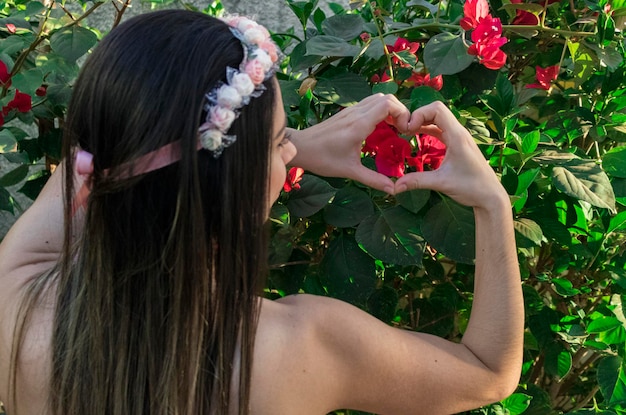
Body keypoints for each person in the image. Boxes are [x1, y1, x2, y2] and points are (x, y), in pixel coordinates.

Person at [0, 9, 523, 415]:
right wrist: (492, 204)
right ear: (240, 188)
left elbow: (91, 164)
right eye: (279, 145)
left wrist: (257, 147)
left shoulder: (16, 306)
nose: (292, 152)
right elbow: (487, 372)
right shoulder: (305, 347)